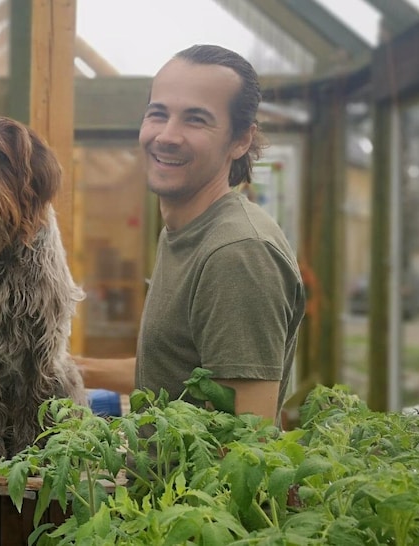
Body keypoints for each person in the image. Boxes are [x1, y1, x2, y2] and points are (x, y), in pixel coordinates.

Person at [78, 45, 306, 424]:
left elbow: (247, 442)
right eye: (158, 114)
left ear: (241, 140)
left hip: (190, 487)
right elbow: (173, 370)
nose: (167, 135)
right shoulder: (186, 231)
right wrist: (71, 368)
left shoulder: (237, 254)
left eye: (195, 120)